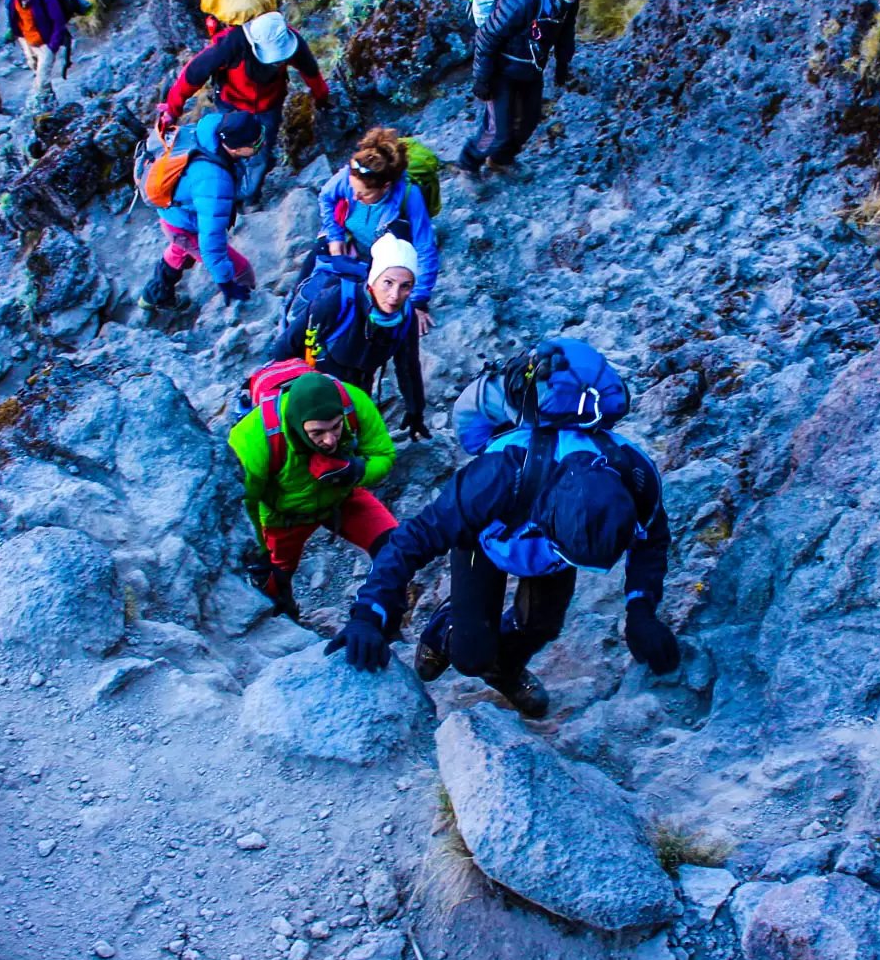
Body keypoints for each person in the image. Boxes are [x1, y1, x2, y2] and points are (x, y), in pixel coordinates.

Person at [329, 410, 677, 718]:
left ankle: (505, 671)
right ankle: (445, 628)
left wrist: (641, 610)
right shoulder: (496, 477)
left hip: (546, 558)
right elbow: (413, 538)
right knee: (470, 655)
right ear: (548, 519)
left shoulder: (636, 480)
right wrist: (369, 614)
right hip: (484, 543)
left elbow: (651, 540)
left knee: (541, 627)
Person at [227, 368, 397, 618]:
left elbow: (384, 455)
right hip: (284, 517)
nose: (330, 440)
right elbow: (245, 504)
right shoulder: (253, 438)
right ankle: (288, 620)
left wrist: (354, 472)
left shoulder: (353, 402)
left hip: (343, 496)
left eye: (336, 428)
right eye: (317, 432)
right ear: (297, 424)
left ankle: (386, 622)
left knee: (395, 548)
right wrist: (260, 553)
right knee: (272, 583)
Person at [158, 9, 329, 200]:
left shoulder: (292, 42)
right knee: (229, 147)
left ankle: (249, 195)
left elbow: (311, 71)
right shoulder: (230, 45)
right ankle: (229, 189)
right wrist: (172, 110)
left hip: (268, 105)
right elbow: (192, 75)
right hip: (231, 104)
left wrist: (322, 98)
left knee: (260, 151)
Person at [274, 235, 426, 440]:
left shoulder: (406, 318)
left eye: (405, 286)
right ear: (373, 280)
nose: (394, 295)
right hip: (313, 384)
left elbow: (408, 366)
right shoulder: (335, 301)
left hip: (359, 386)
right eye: (388, 283)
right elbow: (286, 347)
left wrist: (415, 411)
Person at [459, 0, 591, 176]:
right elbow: (488, 36)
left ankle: (501, 161)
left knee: (528, 122)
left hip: (531, 67)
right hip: (501, 69)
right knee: (497, 132)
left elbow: (566, 31)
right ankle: (468, 166)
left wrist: (563, 64)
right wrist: (482, 79)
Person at [314, 127, 439, 335]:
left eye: (364, 194)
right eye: (353, 190)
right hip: (350, 243)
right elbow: (326, 198)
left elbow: (425, 247)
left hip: (382, 258)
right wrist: (335, 237)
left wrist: (418, 301)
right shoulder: (348, 175)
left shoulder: (409, 196)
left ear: (386, 186)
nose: (354, 197)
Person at [138, 108, 263, 313]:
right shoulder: (214, 182)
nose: (262, 144)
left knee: (180, 251)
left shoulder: (210, 129)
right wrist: (226, 282)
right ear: (236, 149)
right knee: (241, 271)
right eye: (256, 143)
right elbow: (211, 240)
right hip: (183, 224)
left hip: (176, 216)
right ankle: (246, 313)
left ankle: (152, 296)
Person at [1, 0, 70, 97]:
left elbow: (58, 22)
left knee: (41, 80)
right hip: (27, 40)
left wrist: (52, 47)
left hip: (46, 43)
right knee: (37, 71)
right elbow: (14, 16)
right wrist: (14, 32)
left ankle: (41, 110)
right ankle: (51, 102)